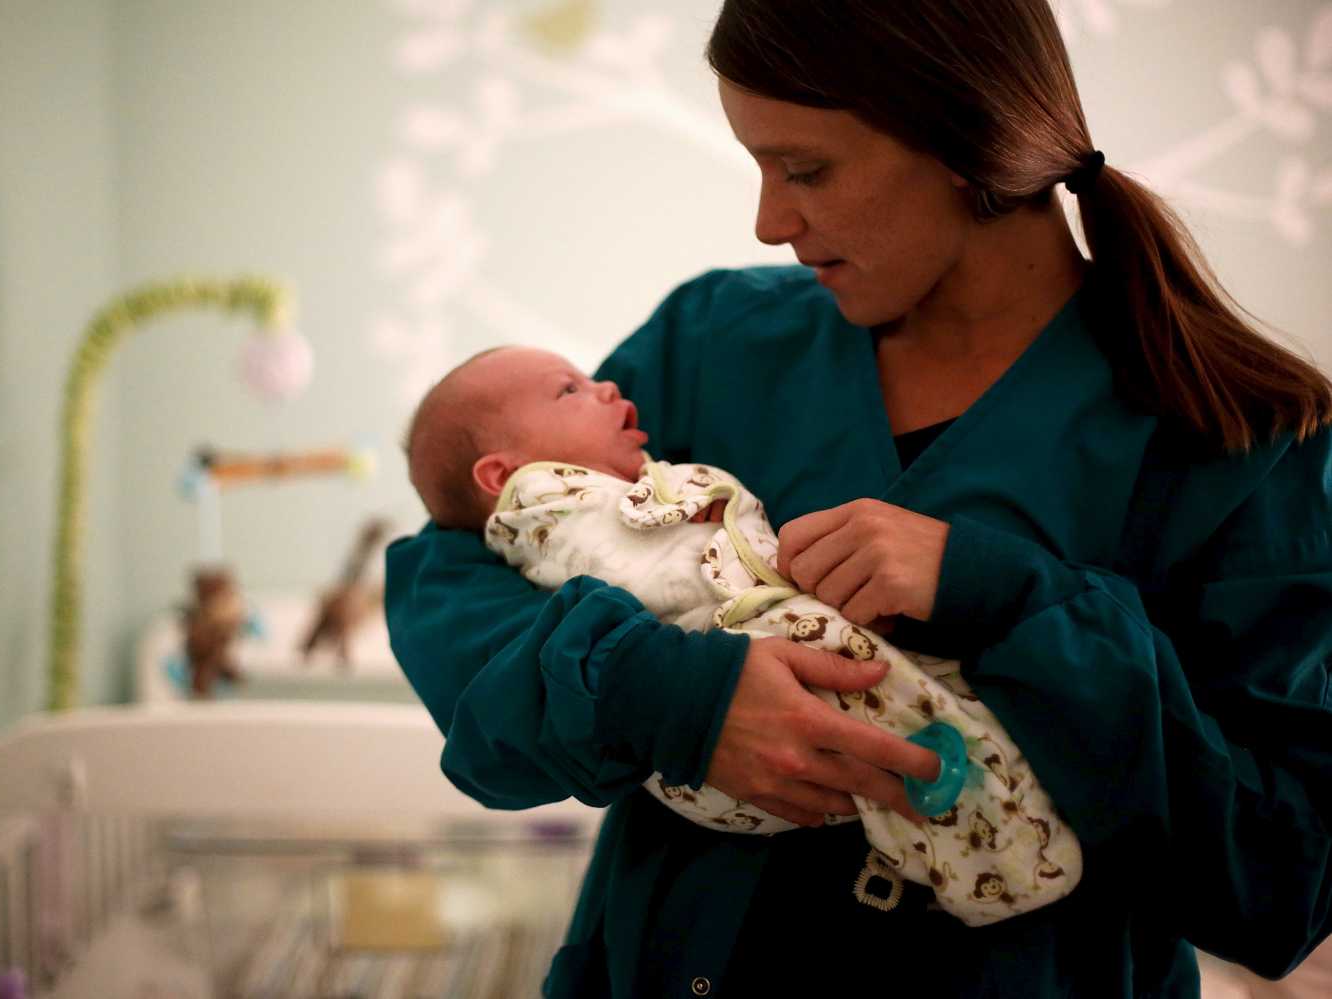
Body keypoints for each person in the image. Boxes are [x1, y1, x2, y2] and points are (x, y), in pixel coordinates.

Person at [384, 0, 1332, 994]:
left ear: (967, 142)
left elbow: (1276, 878)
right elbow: (454, 587)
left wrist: (1012, 600)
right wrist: (667, 695)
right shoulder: (713, 346)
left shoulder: (1239, 436)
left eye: (806, 171)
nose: (769, 220)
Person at [402, 344, 1084, 927]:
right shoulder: (553, 504)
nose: (609, 387)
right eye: (570, 389)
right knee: (898, 728)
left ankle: (993, 828)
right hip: (708, 782)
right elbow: (459, 593)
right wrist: (666, 686)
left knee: (906, 715)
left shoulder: (1131, 378)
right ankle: (1007, 845)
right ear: (504, 476)